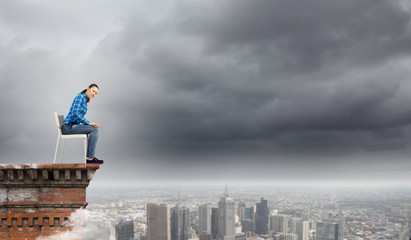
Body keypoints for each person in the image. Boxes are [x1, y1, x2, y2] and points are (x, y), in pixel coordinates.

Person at [61, 84, 103, 164]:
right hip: (67, 127)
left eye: (96, 93)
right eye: (93, 91)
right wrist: (88, 123)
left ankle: (90, 157)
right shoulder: (80, 97)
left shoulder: (85, 100)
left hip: (72, 126)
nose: (94, 94)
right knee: (95, 129)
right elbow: (75, 113)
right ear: (88, 89)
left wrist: (87, 124)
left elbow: (78, 117)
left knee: (94, 128)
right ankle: (89, 158)